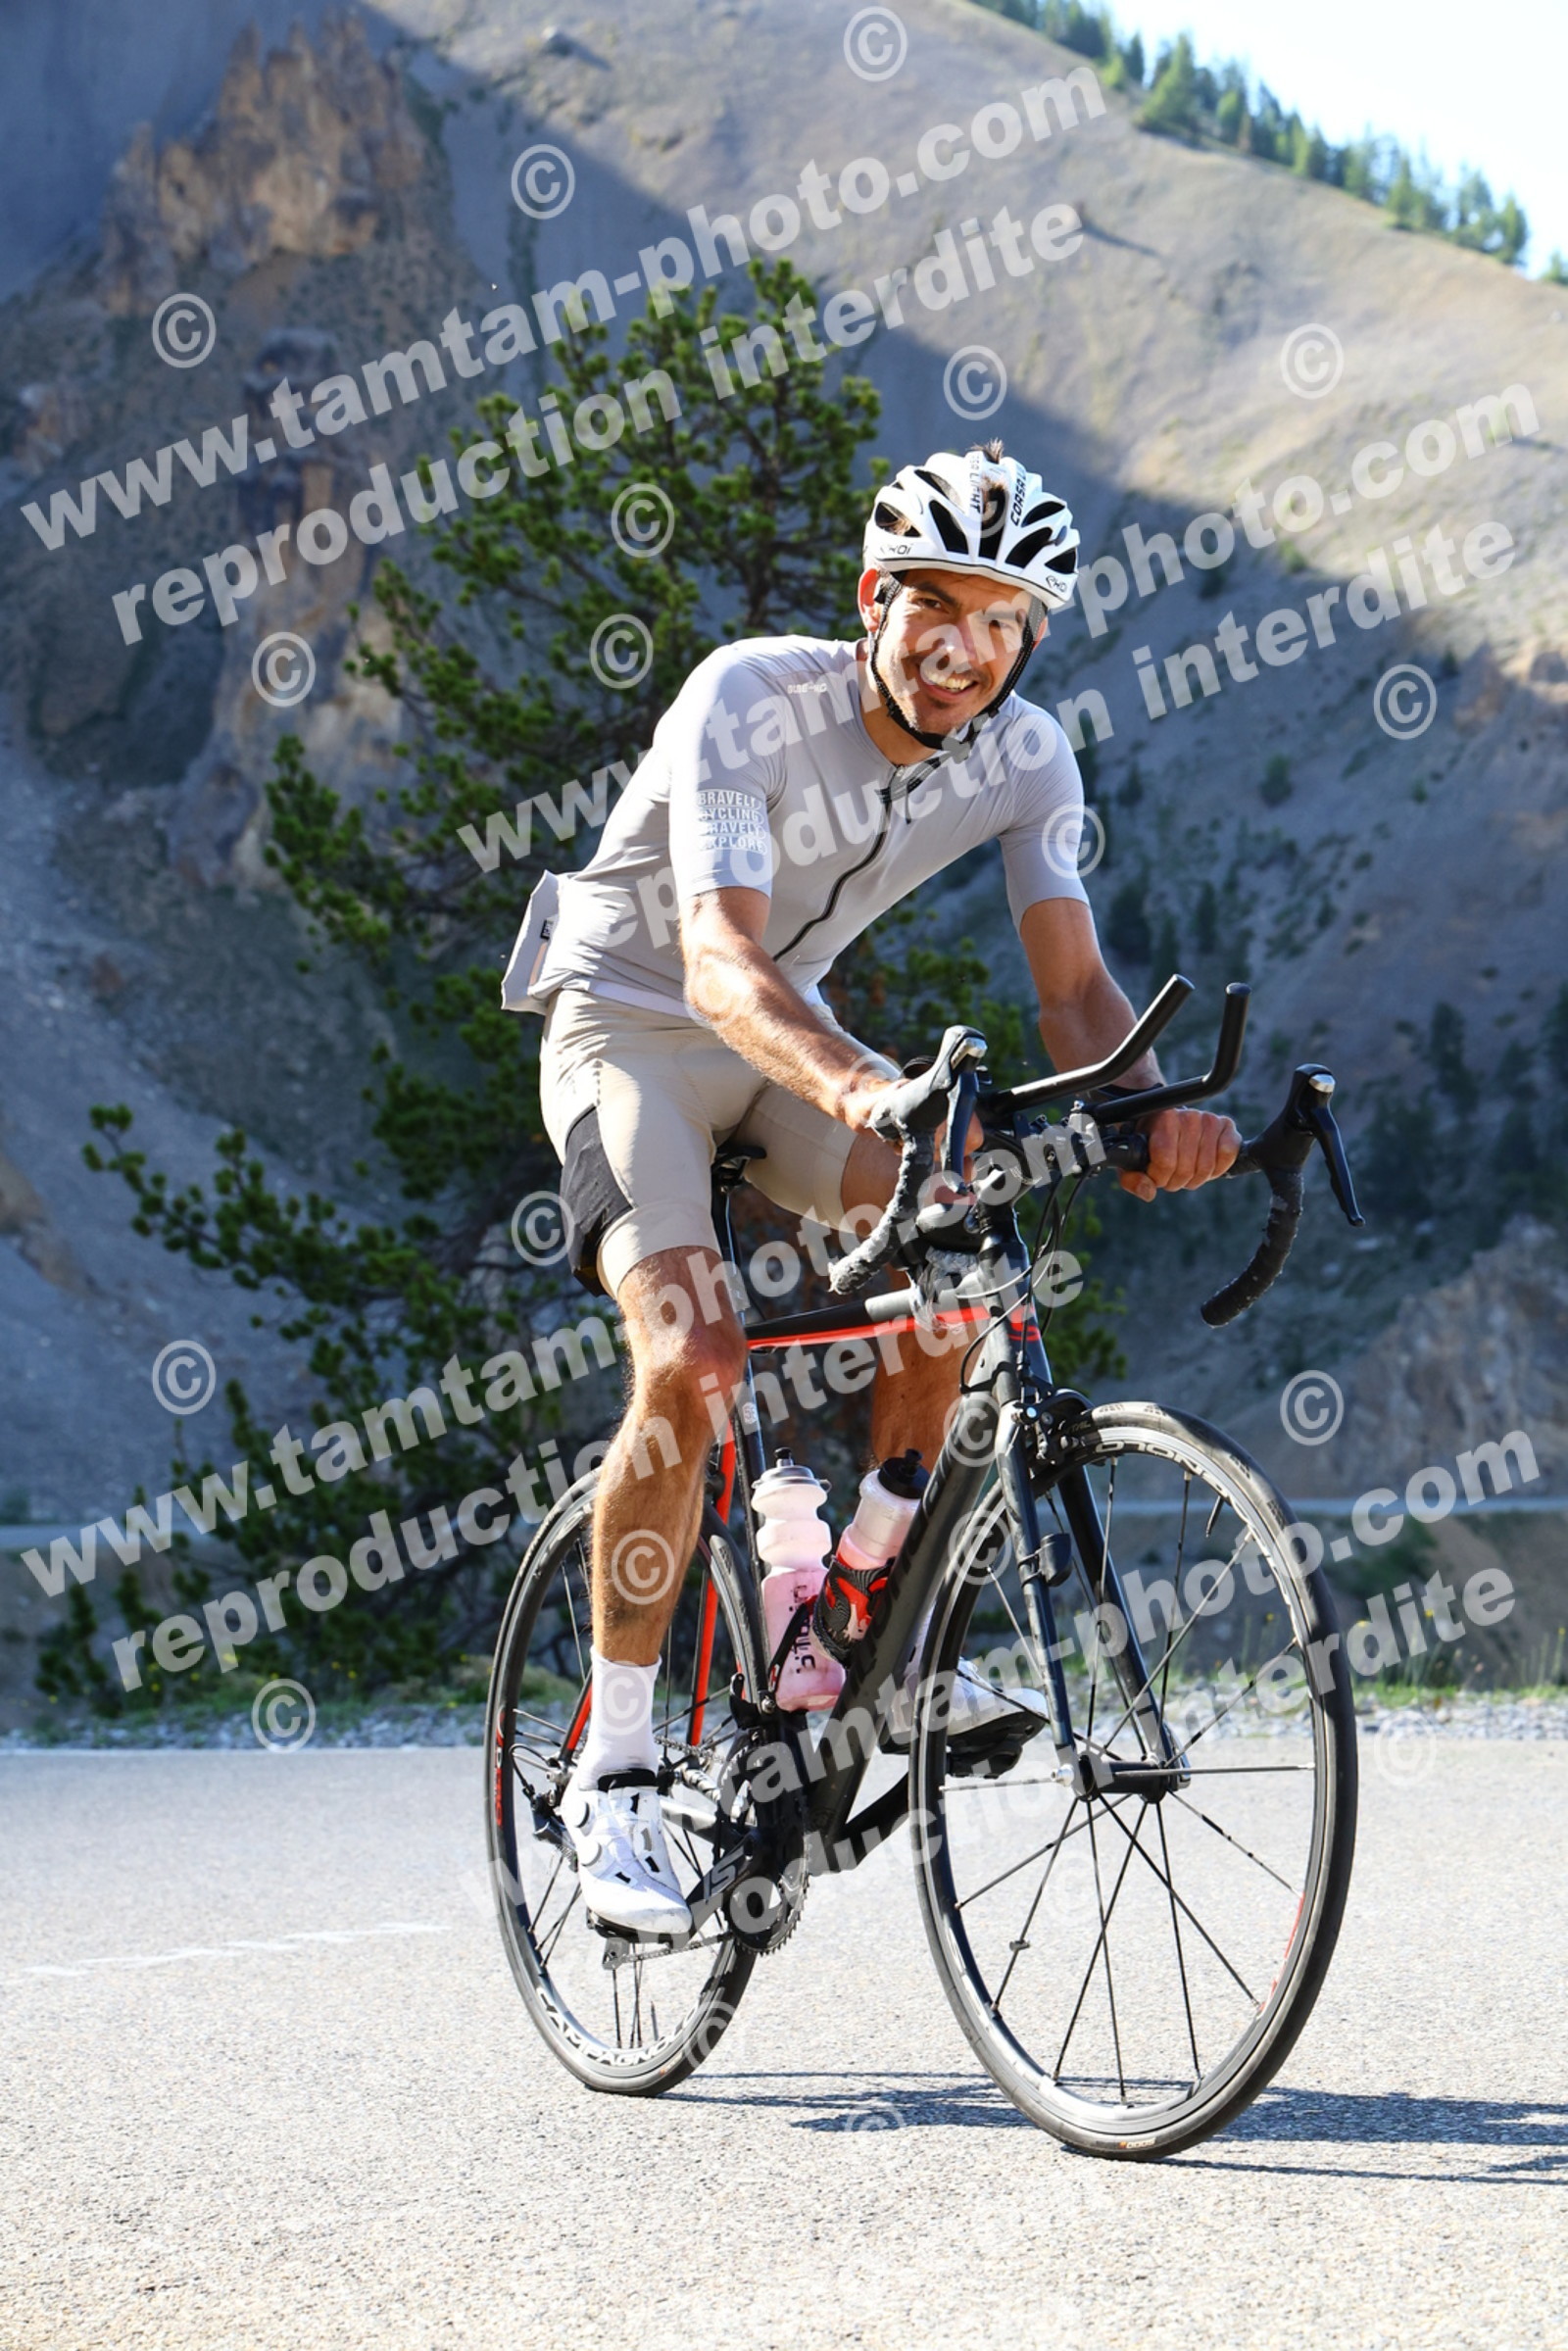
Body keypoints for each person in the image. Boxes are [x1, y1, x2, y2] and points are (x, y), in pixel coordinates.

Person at [502, 441, 1239, 1934]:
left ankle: (857, 1608)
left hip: (794, 1046)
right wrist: (856, 1086)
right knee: (692, 1357)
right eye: (936, 607)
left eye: (1004, 620)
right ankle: (618, 1767)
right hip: (634, 1026)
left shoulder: (1029, 756)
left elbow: (1074, 990)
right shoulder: (748, 698)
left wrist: (1155, 1112)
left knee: (961, 1244)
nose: (966, 648)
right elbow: (717, 958)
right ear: (872, 602)